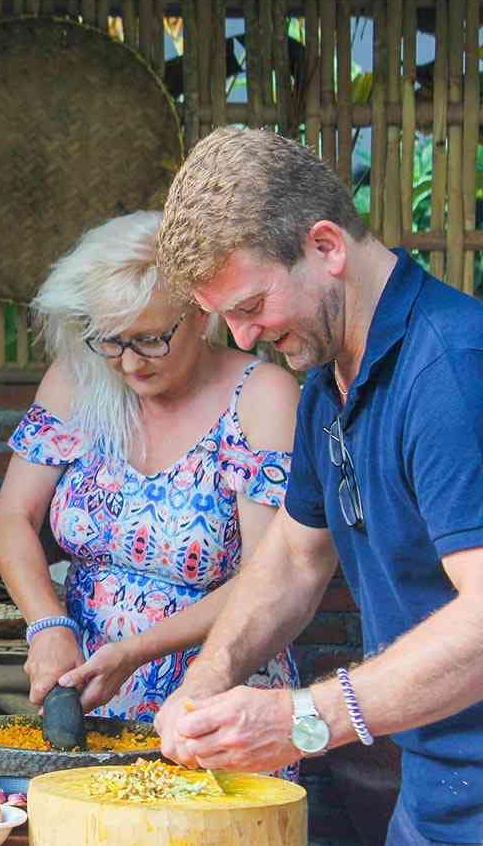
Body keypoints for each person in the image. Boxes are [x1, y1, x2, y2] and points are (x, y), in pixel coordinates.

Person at [153, 125, 483, 845]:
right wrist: (208, 677)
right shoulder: (327, 385)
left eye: (249, 307)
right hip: (437, 792)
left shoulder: (453, 372)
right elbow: (295, 561)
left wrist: (303, 719)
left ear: (326, 247)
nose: (243, 340)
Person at [0, 211, 301, 766]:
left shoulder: (263, 397)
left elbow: (269, 577)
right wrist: (48, 623)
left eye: (151, 340)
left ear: (201, 313)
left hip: (214, 698)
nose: (129, 363)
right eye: (111, 341)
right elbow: (12, 519)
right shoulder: (78, 380)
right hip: (91, 692)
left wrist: (134, 651)